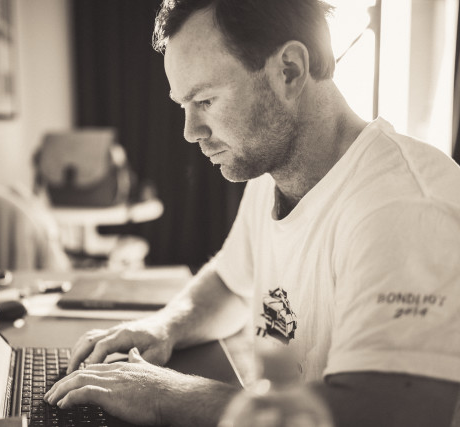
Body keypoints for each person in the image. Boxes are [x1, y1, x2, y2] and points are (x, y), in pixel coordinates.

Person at [44, 0, 460, 425]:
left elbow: (388, 414)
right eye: (184, 105)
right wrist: (164, 326)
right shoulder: (271, 173)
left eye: (205, 100)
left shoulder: (405, 209)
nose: (190, 132)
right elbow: (230, 283)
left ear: (289, 71)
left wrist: (165, 394)